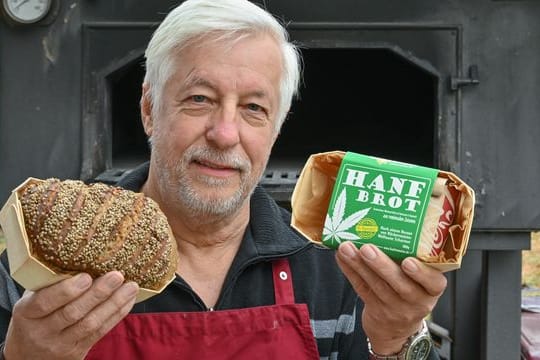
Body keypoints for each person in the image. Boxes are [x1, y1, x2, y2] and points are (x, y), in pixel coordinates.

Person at [0, 0, 447, 358]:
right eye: (199, 98)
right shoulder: (38, 260)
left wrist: (394, 342)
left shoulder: (335, 269)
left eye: (254, 108)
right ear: (149, 109)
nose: (225, 134)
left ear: (276, 127)